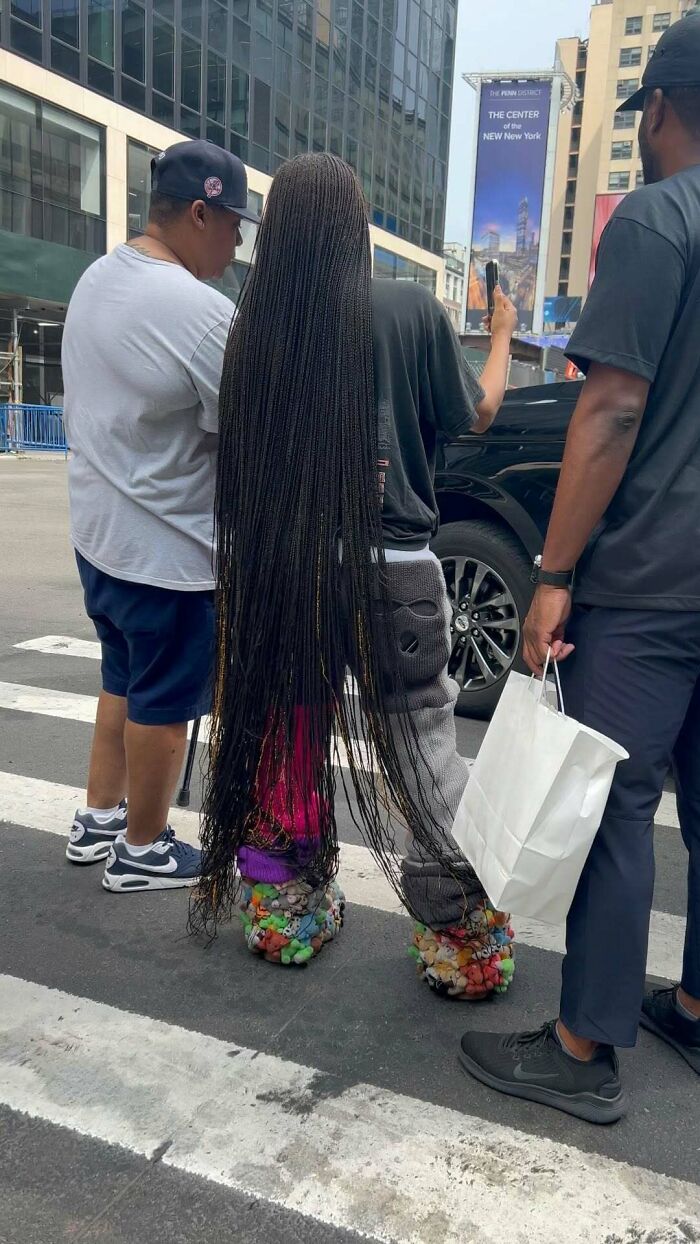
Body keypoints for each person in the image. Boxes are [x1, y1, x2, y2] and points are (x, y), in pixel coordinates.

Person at [189, 152, 518, 1000]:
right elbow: (475, 414)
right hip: (394, 573)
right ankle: (462, 947)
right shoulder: (407, 309)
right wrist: (505, 337)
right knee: (425, 755)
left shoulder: (253, 323)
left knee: (287, 738)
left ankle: (282, 914)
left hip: (286, 576)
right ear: (353, 226)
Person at [459, 12, 700, 1122]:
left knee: (609, 801)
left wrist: (553, 569)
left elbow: (608, 406)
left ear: (657, 111)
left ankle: (583, 1041)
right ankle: (692, 1004)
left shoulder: (657, 218)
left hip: (652, 575)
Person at [62, 139, 258, 893]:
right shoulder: (201, 313)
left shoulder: (97, 277)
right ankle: (143, 849)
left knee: (123, 678)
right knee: (164, 701)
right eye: (232, 225)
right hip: (166, 550)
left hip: (100, 537)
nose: (237, 244)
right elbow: (248, 430)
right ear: (200, 212)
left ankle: (100, 818)